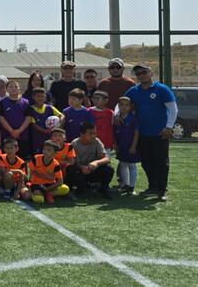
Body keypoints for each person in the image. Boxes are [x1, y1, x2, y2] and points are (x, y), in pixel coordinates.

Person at [124, 64, 177, 201]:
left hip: (160, 133)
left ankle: (162, 190)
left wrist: (169, 127)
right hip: (142, 133)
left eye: (144, 72)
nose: (141, 75)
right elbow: (122, 103)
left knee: (161, 162)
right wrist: (117, 115)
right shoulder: (133, 91)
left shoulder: (162, 89)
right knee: (146, 162)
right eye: (138, 73)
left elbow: (173, 109)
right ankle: (152, 186)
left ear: (151, 73)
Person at [66, 121, 113, 200]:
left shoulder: (97, 141)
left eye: (95, 133)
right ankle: (72, 190)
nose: (93, 136)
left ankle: (103, 189)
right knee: (71, 169)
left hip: (93, 169)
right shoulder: (74, 143)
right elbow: (74, 162)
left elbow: (106, 158)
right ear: (82, 134)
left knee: (109, 169)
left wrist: (96, 162)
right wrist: (82, 167)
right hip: (80, 171)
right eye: (91, 134)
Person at [0, 80, 31, 158]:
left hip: (22, 136)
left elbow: (28, 118)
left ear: (19, 89)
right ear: (7, 89)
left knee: (22, 158)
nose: (13, 88)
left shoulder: (26, 102)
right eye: (11, 87)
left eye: (16, 86)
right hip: (7, 136)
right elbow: (1, 118)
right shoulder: (2, 103)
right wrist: (11, 131)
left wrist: (18, 131)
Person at [114, 96, 140, 195]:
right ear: (118, 106)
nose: (124, 107)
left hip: (131, 146)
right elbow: (114, 133)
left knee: (132, 165)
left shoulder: (133, 118)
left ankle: (132, 187)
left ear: (131, 106)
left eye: (126, 105)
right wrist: (115, 144)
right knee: (123, 164)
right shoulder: (116, 119)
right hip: (121, 146)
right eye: (122, 105)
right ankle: (126, 185)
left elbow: (136, 133)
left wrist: (133, 146)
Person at [25, 87, 63, 155]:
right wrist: (45, 131)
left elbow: (62, 116)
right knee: (38, 156)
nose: (40, 98)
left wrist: (58, 126)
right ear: (33, 97)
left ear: (45, 97)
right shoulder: (31, 109)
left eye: (42, 96)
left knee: (51, 155)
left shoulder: (50, 107)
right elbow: (33, 125)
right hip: (37, 138)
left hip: (50, 138)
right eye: (38, 96)